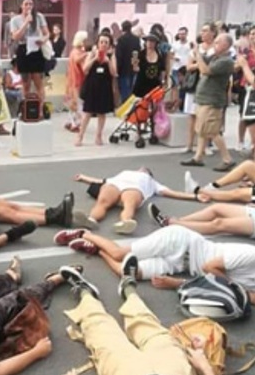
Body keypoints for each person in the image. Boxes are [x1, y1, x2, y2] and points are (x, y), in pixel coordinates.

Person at [60, 269, 219, 375]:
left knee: (103, 335)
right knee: (151, 330)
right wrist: (205, 367)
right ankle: (128, 289)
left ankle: (84, 291)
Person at [61, 222, 255, 301]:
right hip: (180, 242)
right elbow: (209, 268)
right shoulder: (251, 254)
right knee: (119, 253)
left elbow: (244, 297)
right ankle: (85, 232)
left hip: (182, 265)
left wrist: (177, 284)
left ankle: (97, 250)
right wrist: (234, 288)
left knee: (125, 272)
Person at [69, 169, 198, 234]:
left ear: (148, 173)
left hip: (135, 189)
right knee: (102, 201)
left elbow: (171, 193)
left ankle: (126, 223)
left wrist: (195, 196)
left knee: (129, 204)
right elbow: (102, 180)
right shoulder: (125, 172)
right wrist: (83, 178)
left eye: (145, 169)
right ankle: (91, 220)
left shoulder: (152, 181)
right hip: (115, 184)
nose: (142, 168)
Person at [182, 31, 234, 171]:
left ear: (226, 45)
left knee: (212, 131)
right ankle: (198, 157)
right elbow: (201, 61)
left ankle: (227, 159)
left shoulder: (226, 61)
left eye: (218, 42)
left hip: (212, 100)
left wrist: (197, 55)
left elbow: (205, 70)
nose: (215, 44)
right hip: (204, 98)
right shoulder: (215, 57)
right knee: (201, 130)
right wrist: (197, 51)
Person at [75, 32, 118, 148]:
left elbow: (114, 73)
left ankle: (98, 136)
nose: (103, 44)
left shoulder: (111, 56)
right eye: (101, 42)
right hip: (91, 86)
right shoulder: (92, 54)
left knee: (101, 113)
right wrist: (94, 58)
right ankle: (80, 136)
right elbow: (84, 69)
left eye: (106, 42)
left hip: (104, 87)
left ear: (109, 45)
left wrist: (108, 61)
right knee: (87, 112)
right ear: (97, 43)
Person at [9, 0, 51, 111]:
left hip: (36, 49)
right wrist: (26, 22)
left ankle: (41, 110)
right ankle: (26, 109)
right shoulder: (15, 20)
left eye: (30, 4)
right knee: (26, 83)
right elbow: (15, 37)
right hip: (23, 50)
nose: (28, 6)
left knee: (39, 82)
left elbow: (47, 33)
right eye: (26, 4)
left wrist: (43, 39)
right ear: (21, 5)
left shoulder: (39, 17)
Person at [64, 31, 89, 132]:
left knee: (73, 103)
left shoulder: (75, 51)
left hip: (73, 80)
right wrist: (88, 54)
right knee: (77, 103)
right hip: (76, 81)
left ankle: (71, 122)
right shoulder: (77, 52)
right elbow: (77, 60)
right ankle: (76, 123)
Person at [131, 33, 167, 100]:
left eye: (152, 41)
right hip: (141, 86)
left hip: (154, 86)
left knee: (154, 106)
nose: (150, 43)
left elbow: (162, 70)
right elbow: (136, 69)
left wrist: (163, 82)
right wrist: (134, 65)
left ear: (155, 43)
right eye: (148, 41)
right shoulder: (140, 54)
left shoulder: (159, 56)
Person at [115, 20, 141, 100]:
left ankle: (125, 109)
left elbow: (119, 56)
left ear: (122, 28)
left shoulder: (121, 40)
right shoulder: (136, 39)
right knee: (131, 89)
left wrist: (117, 69)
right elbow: (137, 54)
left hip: (123, 69)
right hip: (133, 68)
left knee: (124, 91)